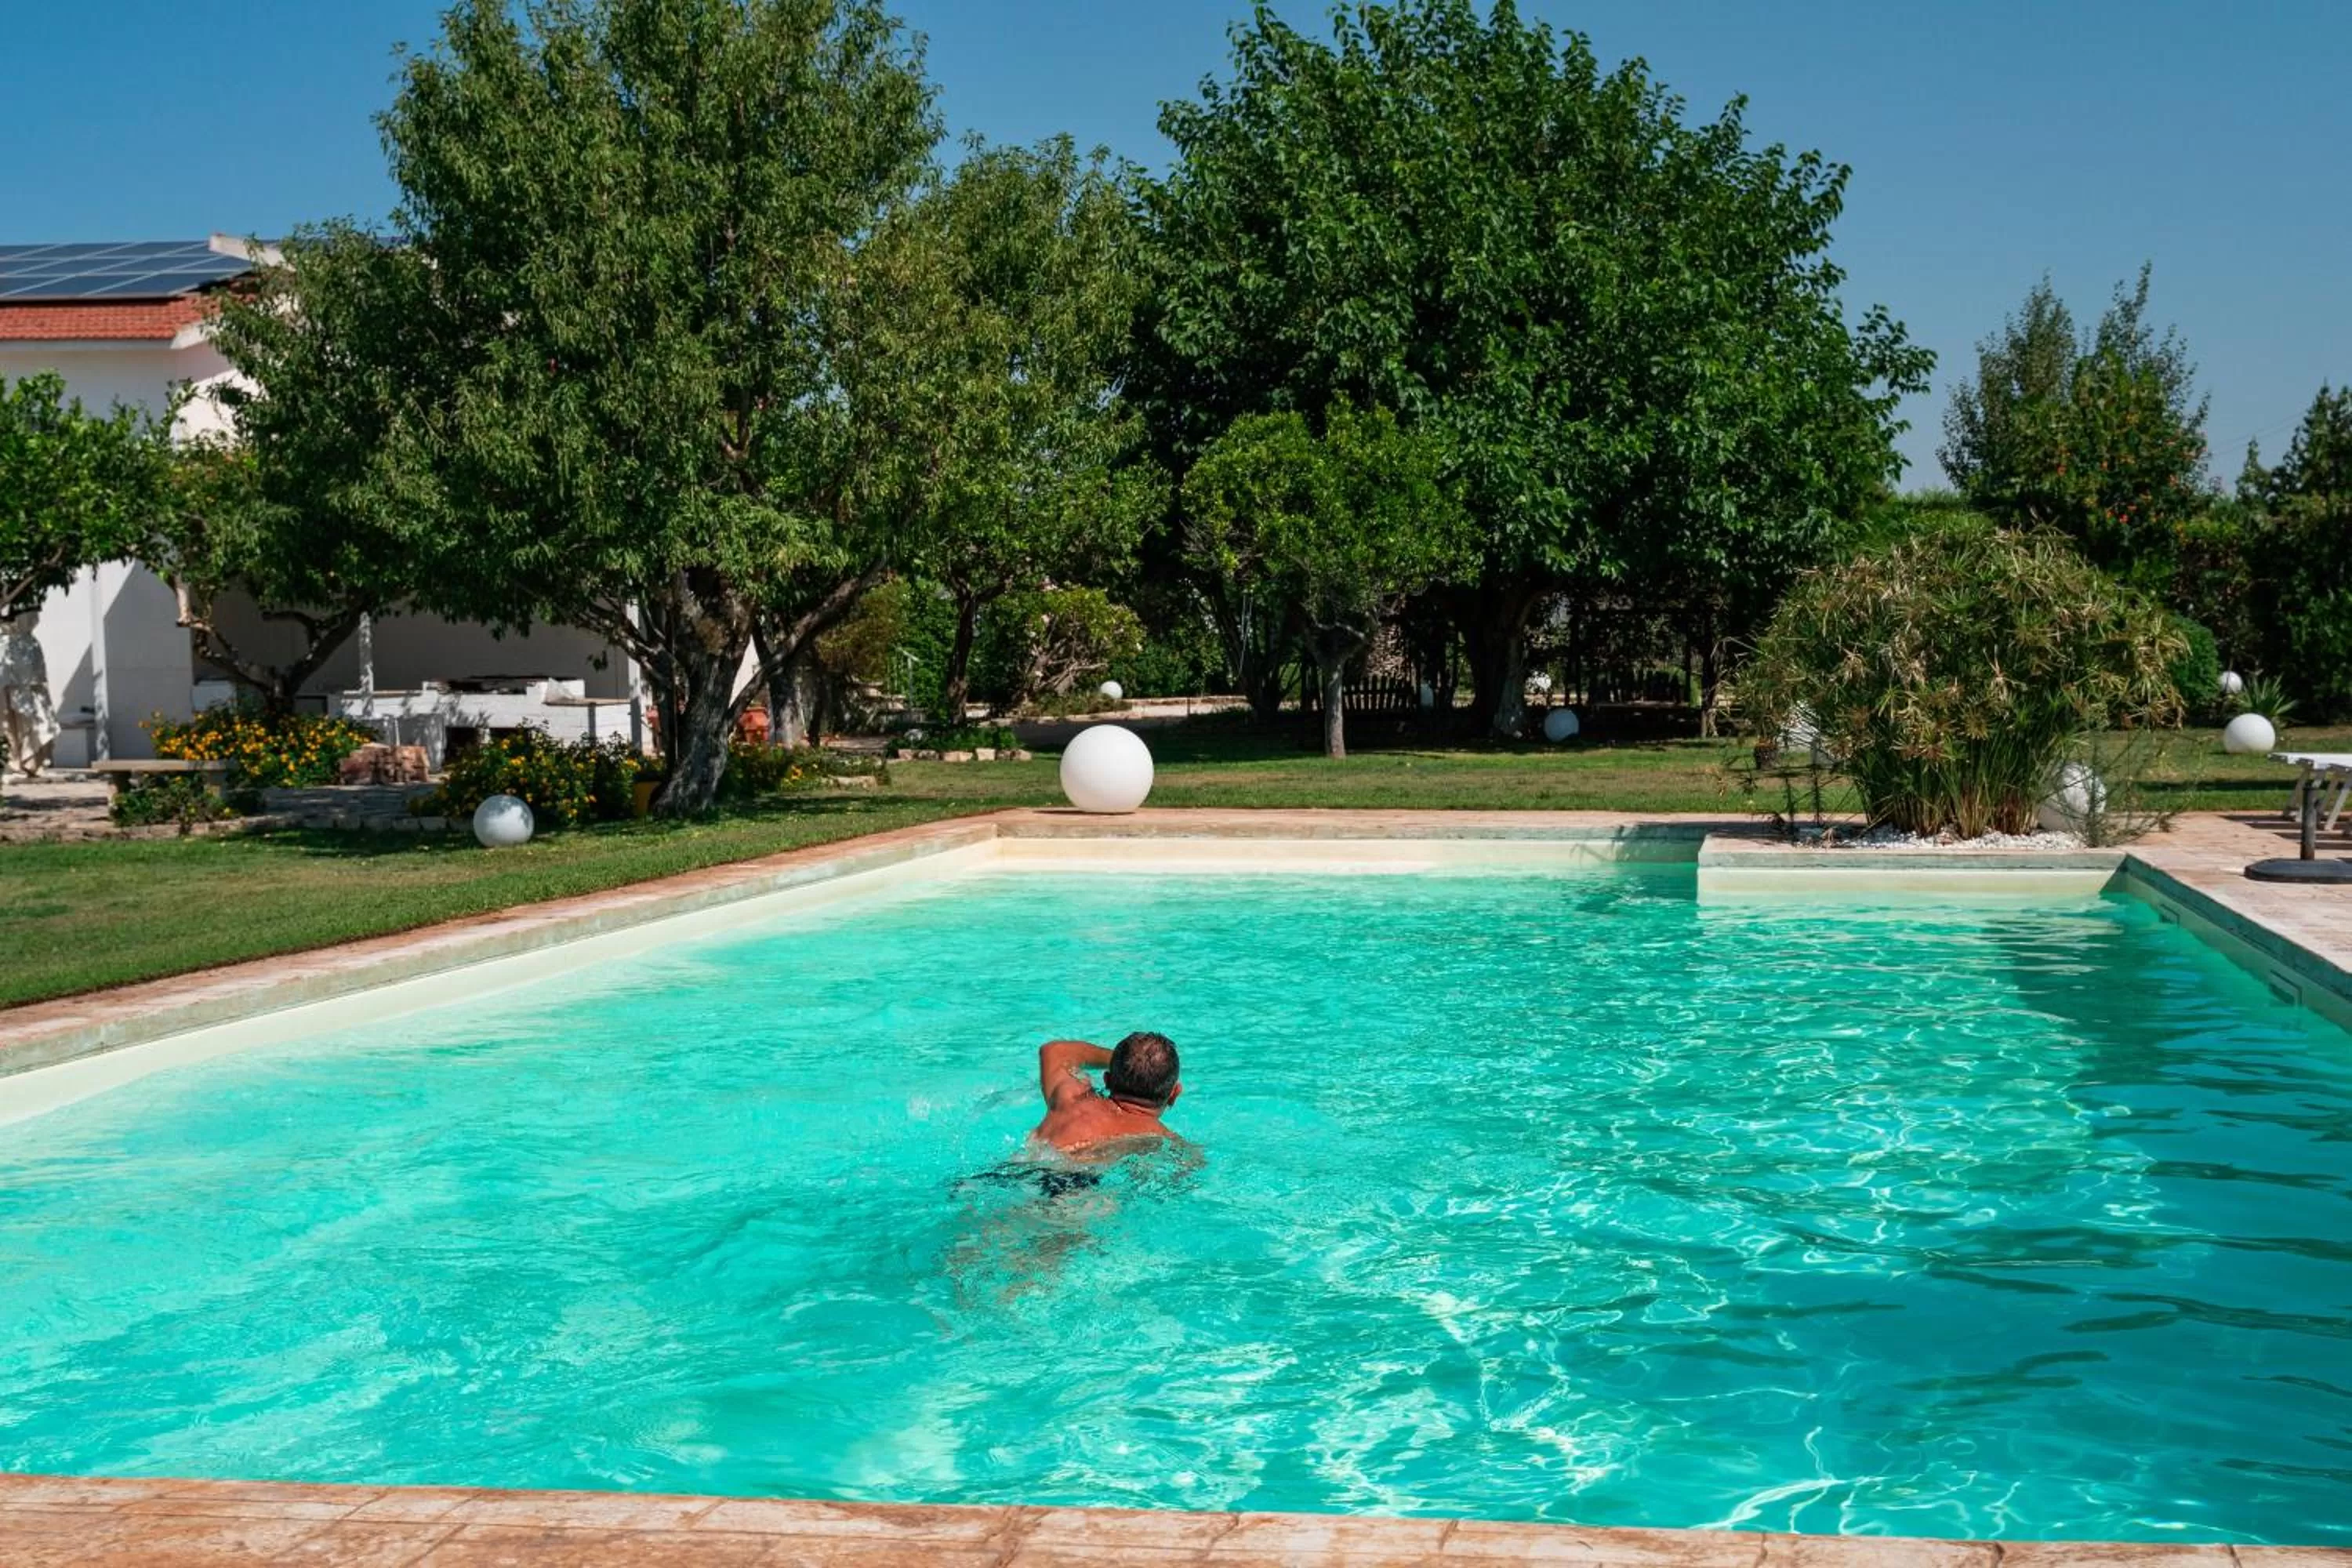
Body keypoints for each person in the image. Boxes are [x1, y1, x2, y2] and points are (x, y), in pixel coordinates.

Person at [1030, 1031, 1182, 1158]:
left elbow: (1055, 1050)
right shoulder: (1166, 1142)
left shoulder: (1070, 1097)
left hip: (1022, 1171)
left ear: (1107, 1080)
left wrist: (1125, 1065)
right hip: (1082, 1185)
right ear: (1175, 1094)